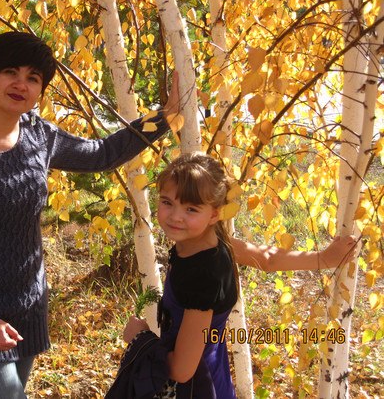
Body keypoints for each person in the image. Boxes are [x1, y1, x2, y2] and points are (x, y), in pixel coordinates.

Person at [0, 31, 180, 399]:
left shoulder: (38, 134)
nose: (21, 84)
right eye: (11, 72)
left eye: (33, 78)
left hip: (26, 310)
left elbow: (101, 154)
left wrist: (166, 115)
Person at [113, 152, 358, 398]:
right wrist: (324, 258)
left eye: (191, 209)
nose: (176, 216)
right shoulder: (213, 241)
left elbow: (181, 370)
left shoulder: (202, 277)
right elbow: (267, 259)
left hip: (195, 389)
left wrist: (139, 338)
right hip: (213, 377)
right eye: (167, 202)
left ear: (215, 213)